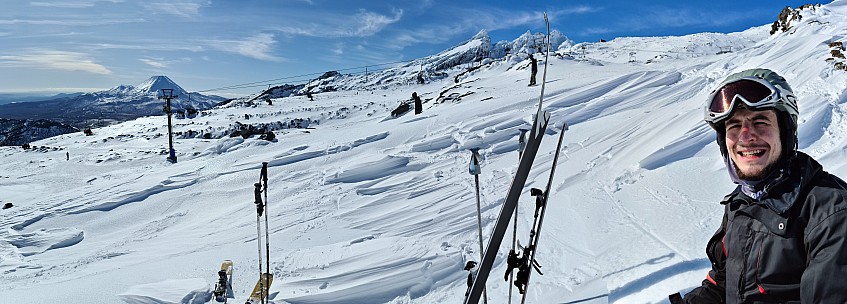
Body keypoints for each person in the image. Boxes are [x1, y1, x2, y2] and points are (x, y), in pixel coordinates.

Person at [672, 68, 847, 303]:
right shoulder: (741, 202)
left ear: (785, 131)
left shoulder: (831, 211)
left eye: (760, 121)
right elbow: (722, 284)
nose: (746, 136)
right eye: (733, 126)